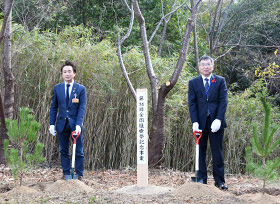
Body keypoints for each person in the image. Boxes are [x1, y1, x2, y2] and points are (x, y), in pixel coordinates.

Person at [188, 55, 228, 190]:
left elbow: (223, 101)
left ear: (212, 66)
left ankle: (219, 181)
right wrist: (194, 122)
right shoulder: (193, 82)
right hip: (200, 122)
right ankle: (202, 182)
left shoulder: (220, 81)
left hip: (216, 123)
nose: (206, 67)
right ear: (199, 67)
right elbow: (192, 103)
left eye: (208, 64)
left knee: (217, 152)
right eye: (203, 64)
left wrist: (218, 119)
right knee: (200, 152)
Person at [49, 60, 87, 181]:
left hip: (75, 124)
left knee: (79, 151)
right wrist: (51, 124)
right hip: (61, 124)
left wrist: (78, 124)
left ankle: (80, 174)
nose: (67, 74)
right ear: (62, 74)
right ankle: (66, 173)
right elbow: (54, 106)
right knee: (63, 150)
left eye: (69, 71)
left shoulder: (81, 89)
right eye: (65, 72)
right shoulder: (57, 88)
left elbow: (82, 108)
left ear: (74, 73)